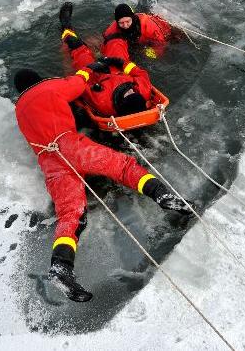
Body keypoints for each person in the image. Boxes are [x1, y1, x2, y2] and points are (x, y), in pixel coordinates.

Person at [13, 68, 192, 302]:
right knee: (123, 167)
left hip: (49, 160)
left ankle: (61, 267)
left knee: (71, 214)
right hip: (70, 145)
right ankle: (164, 197)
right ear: (37, 79)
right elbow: (77, 84)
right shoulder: (48, 87)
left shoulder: (19, 109)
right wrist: (87, 72)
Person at [58, 2, 152, 117]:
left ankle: (66, 28)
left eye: (128, 94)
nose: (131, 90)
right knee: (116, 42)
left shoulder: (103, 102)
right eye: (133, 91)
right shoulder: (142, 92)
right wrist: (121, 62)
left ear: (121, 101)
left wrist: (90, 68)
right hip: (118, 71)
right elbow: (140, 74)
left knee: (77, 48)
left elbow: (80, 85)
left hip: (97, 78)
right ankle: (105, 48)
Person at [102, 3, 176, 59]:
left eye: (127, 21)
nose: (125, 26)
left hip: (165, 30)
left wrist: (150, 53)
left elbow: (161, 44)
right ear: (117, 22)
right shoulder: (112, 29)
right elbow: (106, 42)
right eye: (121, 23)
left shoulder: (148, 26)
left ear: (132, 17)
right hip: (135, 41)